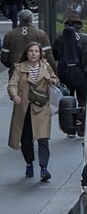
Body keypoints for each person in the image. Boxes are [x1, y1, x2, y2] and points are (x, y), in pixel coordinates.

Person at [7, 43, 58, 181]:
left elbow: (56, 81)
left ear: (40, 53)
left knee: (43, 139)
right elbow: (12, 84)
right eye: (31, 51)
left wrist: (50, 79)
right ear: (27, 53)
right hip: (25, 108)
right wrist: (14, 94)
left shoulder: (46, 66)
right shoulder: (19, 68)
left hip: (41, 107)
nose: (34, 53)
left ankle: (44, 168)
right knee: (26, 140)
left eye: (36, 51)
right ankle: (29, 163)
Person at [51, 12, 87, 132]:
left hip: (65, 75)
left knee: (68, 101)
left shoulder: (60, 39)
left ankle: (70, 128)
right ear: (79, 25)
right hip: (82, 75)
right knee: (83, 101)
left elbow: (55, 56)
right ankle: (82, 127)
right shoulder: (86, 38)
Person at [1, 9, 52, 77]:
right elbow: (48, 55)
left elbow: (4, 57)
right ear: (31, 19)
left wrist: (12, 65)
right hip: (37, 73)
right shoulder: (41, 34)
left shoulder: (9, 35)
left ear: (19, 19)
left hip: (16, 72)